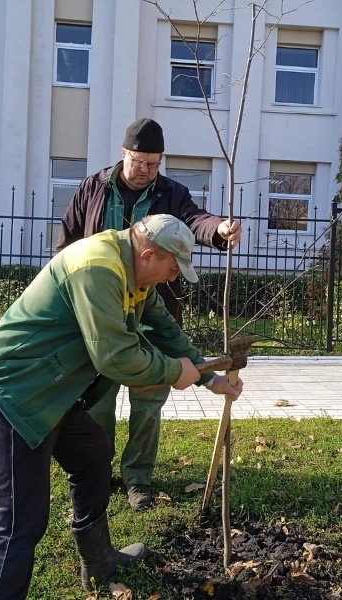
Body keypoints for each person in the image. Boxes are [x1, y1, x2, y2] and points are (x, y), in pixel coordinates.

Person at [0, 214, 243, 598]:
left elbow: (163, 330)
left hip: (55, 389)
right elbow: (115, 358)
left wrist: (207, 376)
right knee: (20, 519)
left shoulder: (132, 270)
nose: (172, 278)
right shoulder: (97, 268)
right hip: (14, 390)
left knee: (94, 454)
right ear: (148, 254)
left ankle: (98, 561)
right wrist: (172, 372)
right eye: (171, 268)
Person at [56, 117, 242, 510]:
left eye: (153, 163)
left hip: (149, 308)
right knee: (96, 403)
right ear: (123, 154)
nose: (145, 171)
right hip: (100, 313)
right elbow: (69, 241)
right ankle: (97, 471)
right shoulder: (92, 188)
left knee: (147, 403)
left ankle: (138, 479)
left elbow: (193, 220)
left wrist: (218, 230)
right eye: (138, 161)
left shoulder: (171, 192)